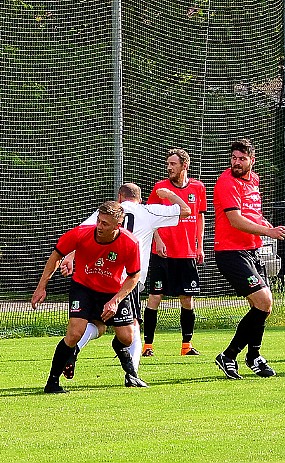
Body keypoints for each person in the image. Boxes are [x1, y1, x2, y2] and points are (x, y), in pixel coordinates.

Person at [59, 183, 189, 379]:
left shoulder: (106, 212)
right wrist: (169, 194)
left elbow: (83, 233)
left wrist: (69, 256)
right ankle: (133, 373)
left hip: (99, 276)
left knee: (98, 324)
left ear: (120, 198)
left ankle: (73, 350)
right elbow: (185, 210)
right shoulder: (148, 210)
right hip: (129, 279)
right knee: (132, 326)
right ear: (140, 198)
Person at [31, 201, 147, 394]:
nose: (100, 227)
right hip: (83, 288)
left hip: (112, 292)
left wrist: (116, 300)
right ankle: (52, 382)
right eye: (99, 221)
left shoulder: (130, 243)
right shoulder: (80, 233)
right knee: (75, 333)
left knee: (127, 338)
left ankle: (124, 360)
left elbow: (134, 276)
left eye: (105, 224)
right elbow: (55, 256)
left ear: (118, 225)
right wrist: (41, 287)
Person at [212, 139, 285, 379]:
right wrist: (268, 232)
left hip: (251, 250)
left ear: (251, 161)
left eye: (242, 159)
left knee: (263, 307)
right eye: (234, 158)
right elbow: (235, 220)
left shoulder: (254, 180)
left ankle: (253, 356)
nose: (236, 162)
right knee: (264, 300)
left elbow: (252, 214)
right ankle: (230, 354)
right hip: (230, 252)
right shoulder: (226, 182)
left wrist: (267, 224)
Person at [142, 148, 207, 357]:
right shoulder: (160, 188)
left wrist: (199, 246)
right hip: (163, 253)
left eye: (173, 164)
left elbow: (199, 217)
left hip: (187, 253)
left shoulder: (198, 187)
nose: (169, 167)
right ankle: (147, 346)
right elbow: (150, 217)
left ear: (184, 166)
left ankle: (186, 346)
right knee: (155, 296)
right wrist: (158, 240)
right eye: (168, 164)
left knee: (187, 299)